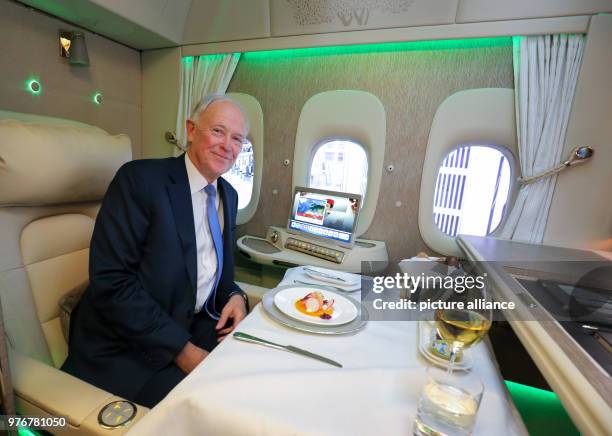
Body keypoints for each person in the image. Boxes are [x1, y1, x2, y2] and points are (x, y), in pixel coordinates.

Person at [62, 95, 249, 408]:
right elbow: (112, 283)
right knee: (211, 408)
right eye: (218, 131)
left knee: (249, 373)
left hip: (191, 326)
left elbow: (213, 272)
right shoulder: (140, 181)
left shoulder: (228, 195)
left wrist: (236, 297)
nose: (227, 145)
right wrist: (184, 352)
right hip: (128, 348)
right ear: (191, 130)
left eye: (237, 138)